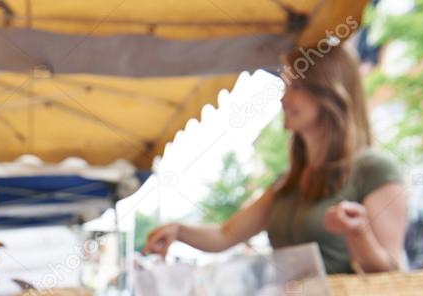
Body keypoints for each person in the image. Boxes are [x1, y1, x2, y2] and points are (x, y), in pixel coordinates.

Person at [144, 45, 407, 274]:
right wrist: (179, 231)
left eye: (295, 87)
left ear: (327, 90)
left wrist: (357, 232)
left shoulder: (373, 169)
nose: (283, 98)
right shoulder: (288, 181)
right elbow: (226, 235)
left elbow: (389, 270)